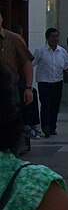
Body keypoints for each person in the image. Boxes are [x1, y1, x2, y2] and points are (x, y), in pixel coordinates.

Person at [0, 64, 68, 210]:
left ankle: (50, 127)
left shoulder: (29, 188)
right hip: (45, 82)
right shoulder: (31, 186)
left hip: (55, 81)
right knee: (47, 106)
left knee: (52, 107)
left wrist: (28, 87)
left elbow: (27, 62)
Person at [0, 14, 42, 142]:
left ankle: (27, 126)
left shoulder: (13, 38)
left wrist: (29, 87)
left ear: (2, 19)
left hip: (9, 86)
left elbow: (26, 62)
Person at [32, 29, 68, 138]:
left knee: (55, 105)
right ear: (47, 38)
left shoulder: (62, 52)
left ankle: (52, 126)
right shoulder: (40, 51)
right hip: (44, 82)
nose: (55, 39)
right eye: (52, 36)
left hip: (57, 81)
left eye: (56, 36)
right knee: (45, 104)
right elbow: (32, 63)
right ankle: (45, 126)